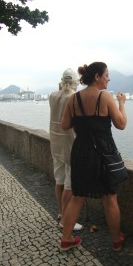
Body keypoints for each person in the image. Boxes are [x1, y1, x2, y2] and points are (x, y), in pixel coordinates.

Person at [60, 61, 127, 251]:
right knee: (110, 197)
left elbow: (64, 126)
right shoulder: (105, 97)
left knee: (77, 196)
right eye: (106, 75)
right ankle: (116, 241)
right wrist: (121, 104)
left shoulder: (74, 99)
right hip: (103, 153)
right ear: (97, 76)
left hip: (81, 151)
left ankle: (66, 239)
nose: (108, 79)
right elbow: (121, 124)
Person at [49, 68, 83, 231]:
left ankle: (61, 213)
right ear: (76, 82)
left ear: (61, 81)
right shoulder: (73, 97)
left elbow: (60, 94)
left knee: (59, 181)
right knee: (69, 185)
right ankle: (66, 220)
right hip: (70, 144)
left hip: (55, 143)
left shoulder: (53, 96)